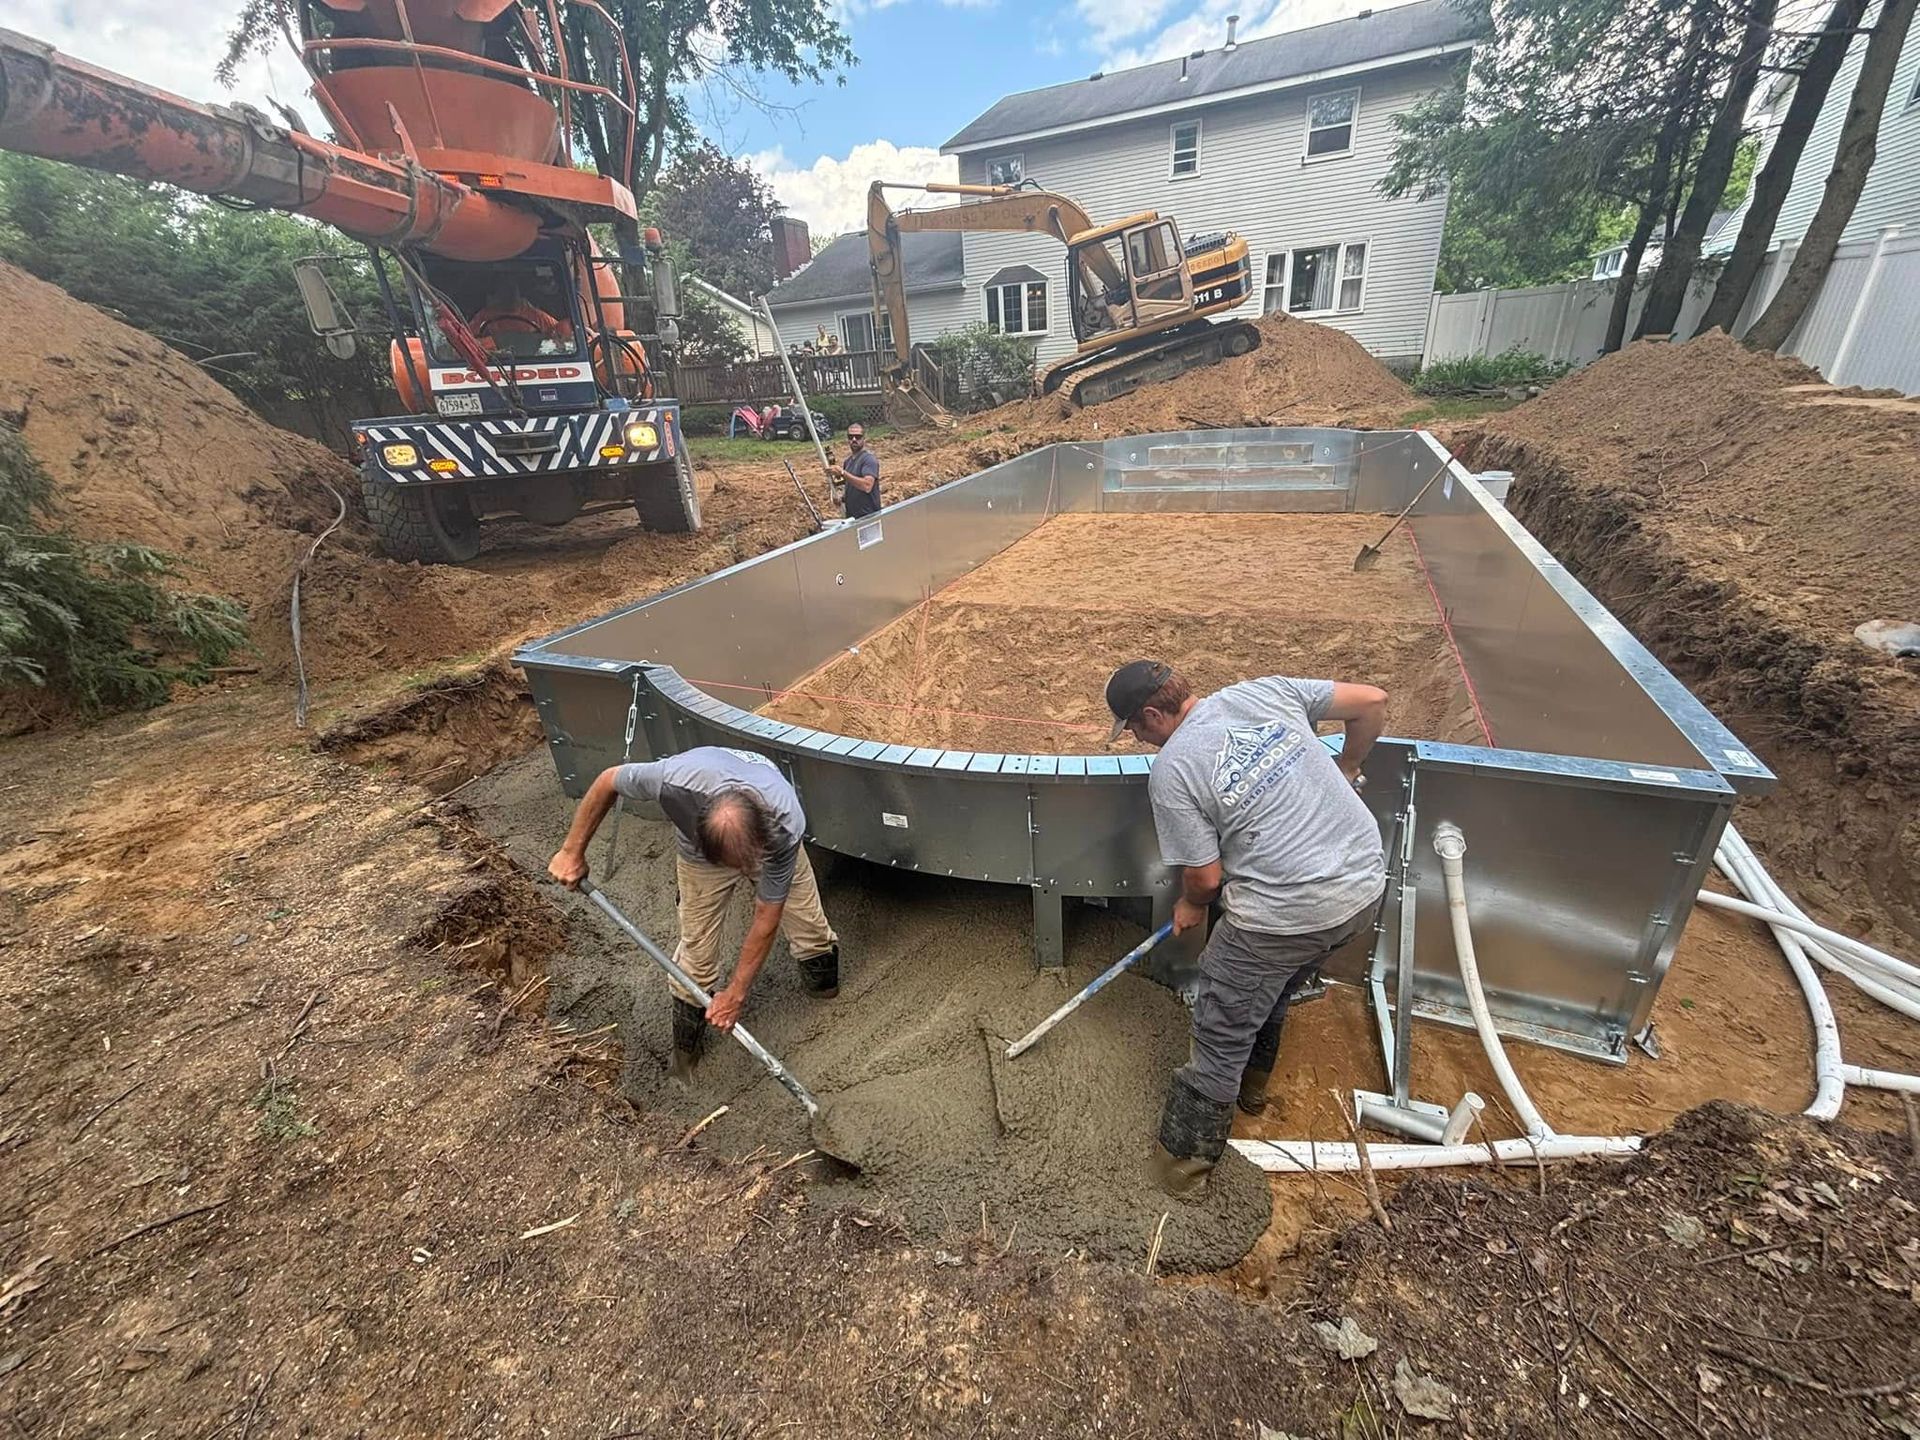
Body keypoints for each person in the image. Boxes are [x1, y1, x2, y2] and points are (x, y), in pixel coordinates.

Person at [1103, 659, 1389, 1197]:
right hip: (1363, 890)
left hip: (1287, 915)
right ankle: (1253, 1093)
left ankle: (1182, 1172)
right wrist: (1349, 768)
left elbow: (1206, 877)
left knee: (1222, 1024)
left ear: (1151, 715)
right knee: (1276, 985)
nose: (1138, 739)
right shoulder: (1266, 691)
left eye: (1135, 729)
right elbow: (1371, 701)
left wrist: (1191, 905)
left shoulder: (1173, 770)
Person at [547, 747, 841, 1083]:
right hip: (700, 857)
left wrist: (735, 994)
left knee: (809, 929)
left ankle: (824, 996)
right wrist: (572, 851)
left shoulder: (783, 824)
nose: (744, 873)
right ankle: (685, 1060)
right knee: (697, 956)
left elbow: (765, 918)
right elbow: (607, 780)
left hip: (770, 843)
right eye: (736, 865)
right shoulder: (670, 781)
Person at [830, 424, 882, 519]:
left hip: (869, 517)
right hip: (853, 519)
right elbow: (852, 488)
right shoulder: (848, 462)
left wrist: (843, 473)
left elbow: (867, 486)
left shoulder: (869, 460)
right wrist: (841, 499)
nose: (854, 439)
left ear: (864, 439)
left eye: (858, 437)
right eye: (850, 437)